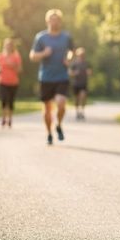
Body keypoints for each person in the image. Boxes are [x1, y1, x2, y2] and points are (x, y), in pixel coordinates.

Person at [29, 9, 75, 145]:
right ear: (47, 21)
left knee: (61, 104)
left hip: (62, 76)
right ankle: (49, 133)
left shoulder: (66, 37)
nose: (54, 22)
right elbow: (32, 56)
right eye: (52, 19)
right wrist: (43, 53)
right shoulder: (41, 37)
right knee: (47, 108)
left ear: (60, 22)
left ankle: (59, 125)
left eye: (57, 19)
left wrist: (69, 59)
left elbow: (72, 51)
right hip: (46, 77)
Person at [0, 38, 22, 128]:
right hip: (2, 81)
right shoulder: (0, 56)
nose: (8, 47)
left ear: (12, 47)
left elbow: (19, 69)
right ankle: (3, 119)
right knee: (4, 99)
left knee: (10, 101)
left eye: (9, 45)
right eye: (6, 45)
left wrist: (12, 66)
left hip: (13, 82)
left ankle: (10, 119)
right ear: (4, 46)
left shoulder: (16, 56)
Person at [69, 47, 92, 120]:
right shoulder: (74, 63)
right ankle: (77, 112)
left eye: (83, 55)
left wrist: (89, 72)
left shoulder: (86, 63)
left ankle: (82, 111)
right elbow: (70, 72)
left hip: (83, 83)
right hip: (76, 83)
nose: (81, 56)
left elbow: (90, 71)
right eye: (80, 54)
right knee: (77, 99)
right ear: (77, 55)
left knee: (83, 96)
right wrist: (75, 73)